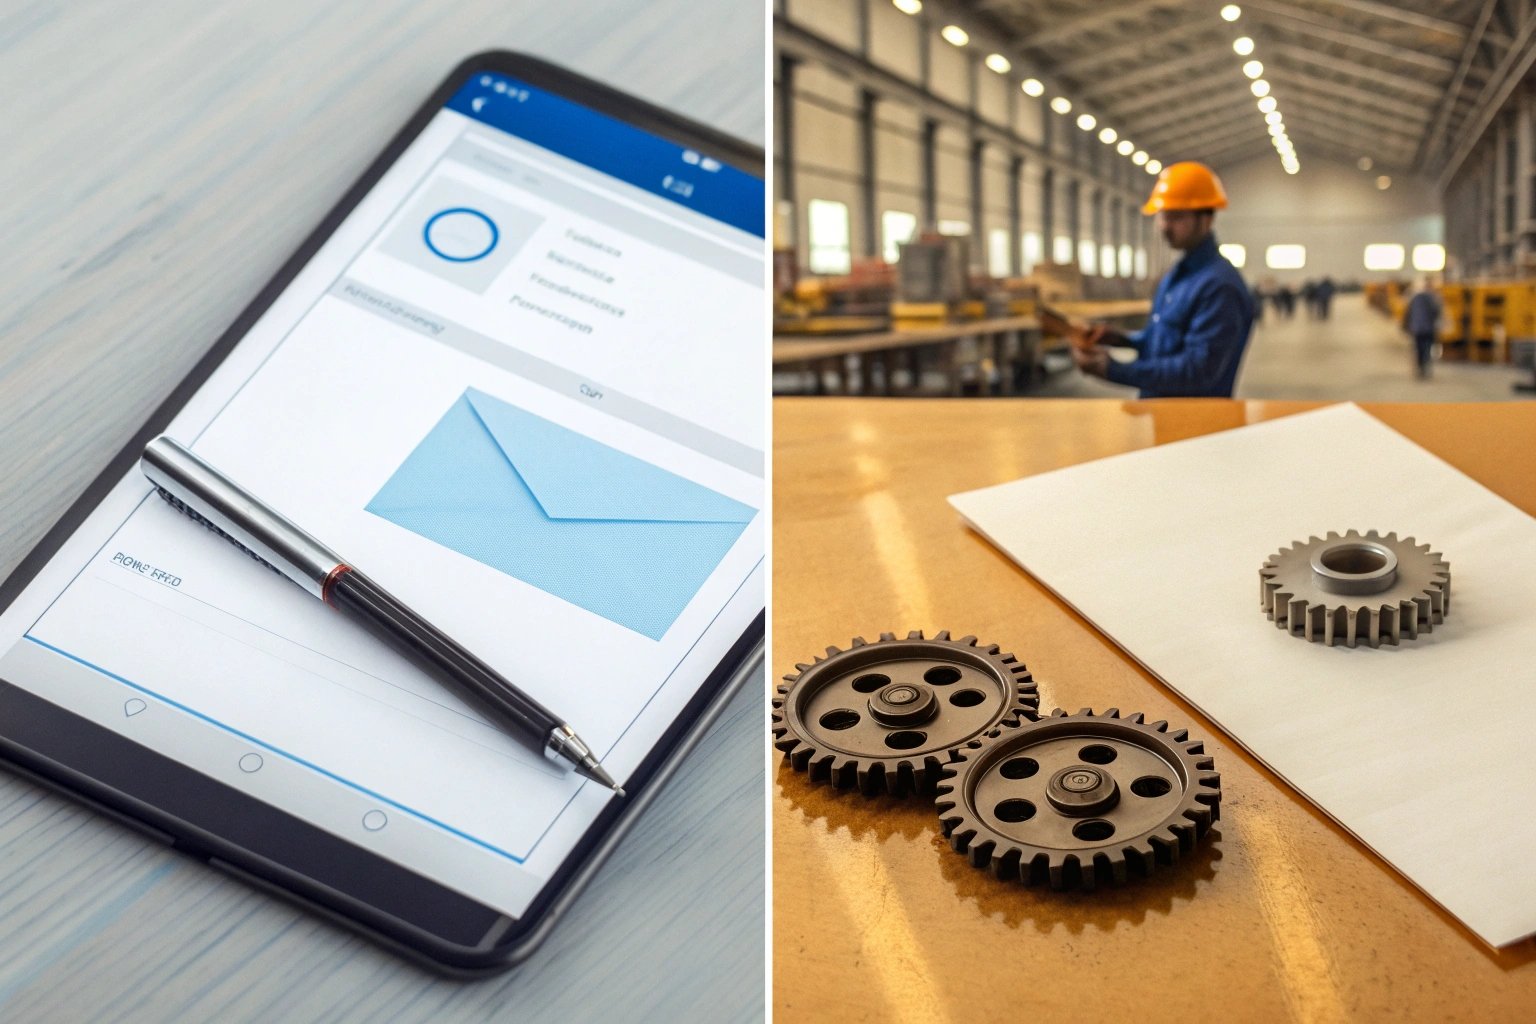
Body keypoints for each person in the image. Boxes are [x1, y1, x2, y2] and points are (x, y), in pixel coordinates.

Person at [1071, 161, 1255, 397]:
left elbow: (1197, 372)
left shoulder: (1219, 286)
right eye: (1162, 216)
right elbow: (1160, 340)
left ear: (1206, 219)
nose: (1165, 227)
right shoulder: (1177, 275)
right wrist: (1121, 339)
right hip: (1160, 414)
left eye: (1176, 217)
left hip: (1196, 425)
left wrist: (1112, 369)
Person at [1403, 276, 1442, 379]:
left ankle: (1420, 369)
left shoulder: (1414, 297)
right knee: (1427, 348)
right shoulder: (1433, 298)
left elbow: (1408, 312)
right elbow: (1436, 312)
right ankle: (1425, 368)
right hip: (1428, 328)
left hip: (1417, 328)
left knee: (1419, 349)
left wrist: (1407, 325)